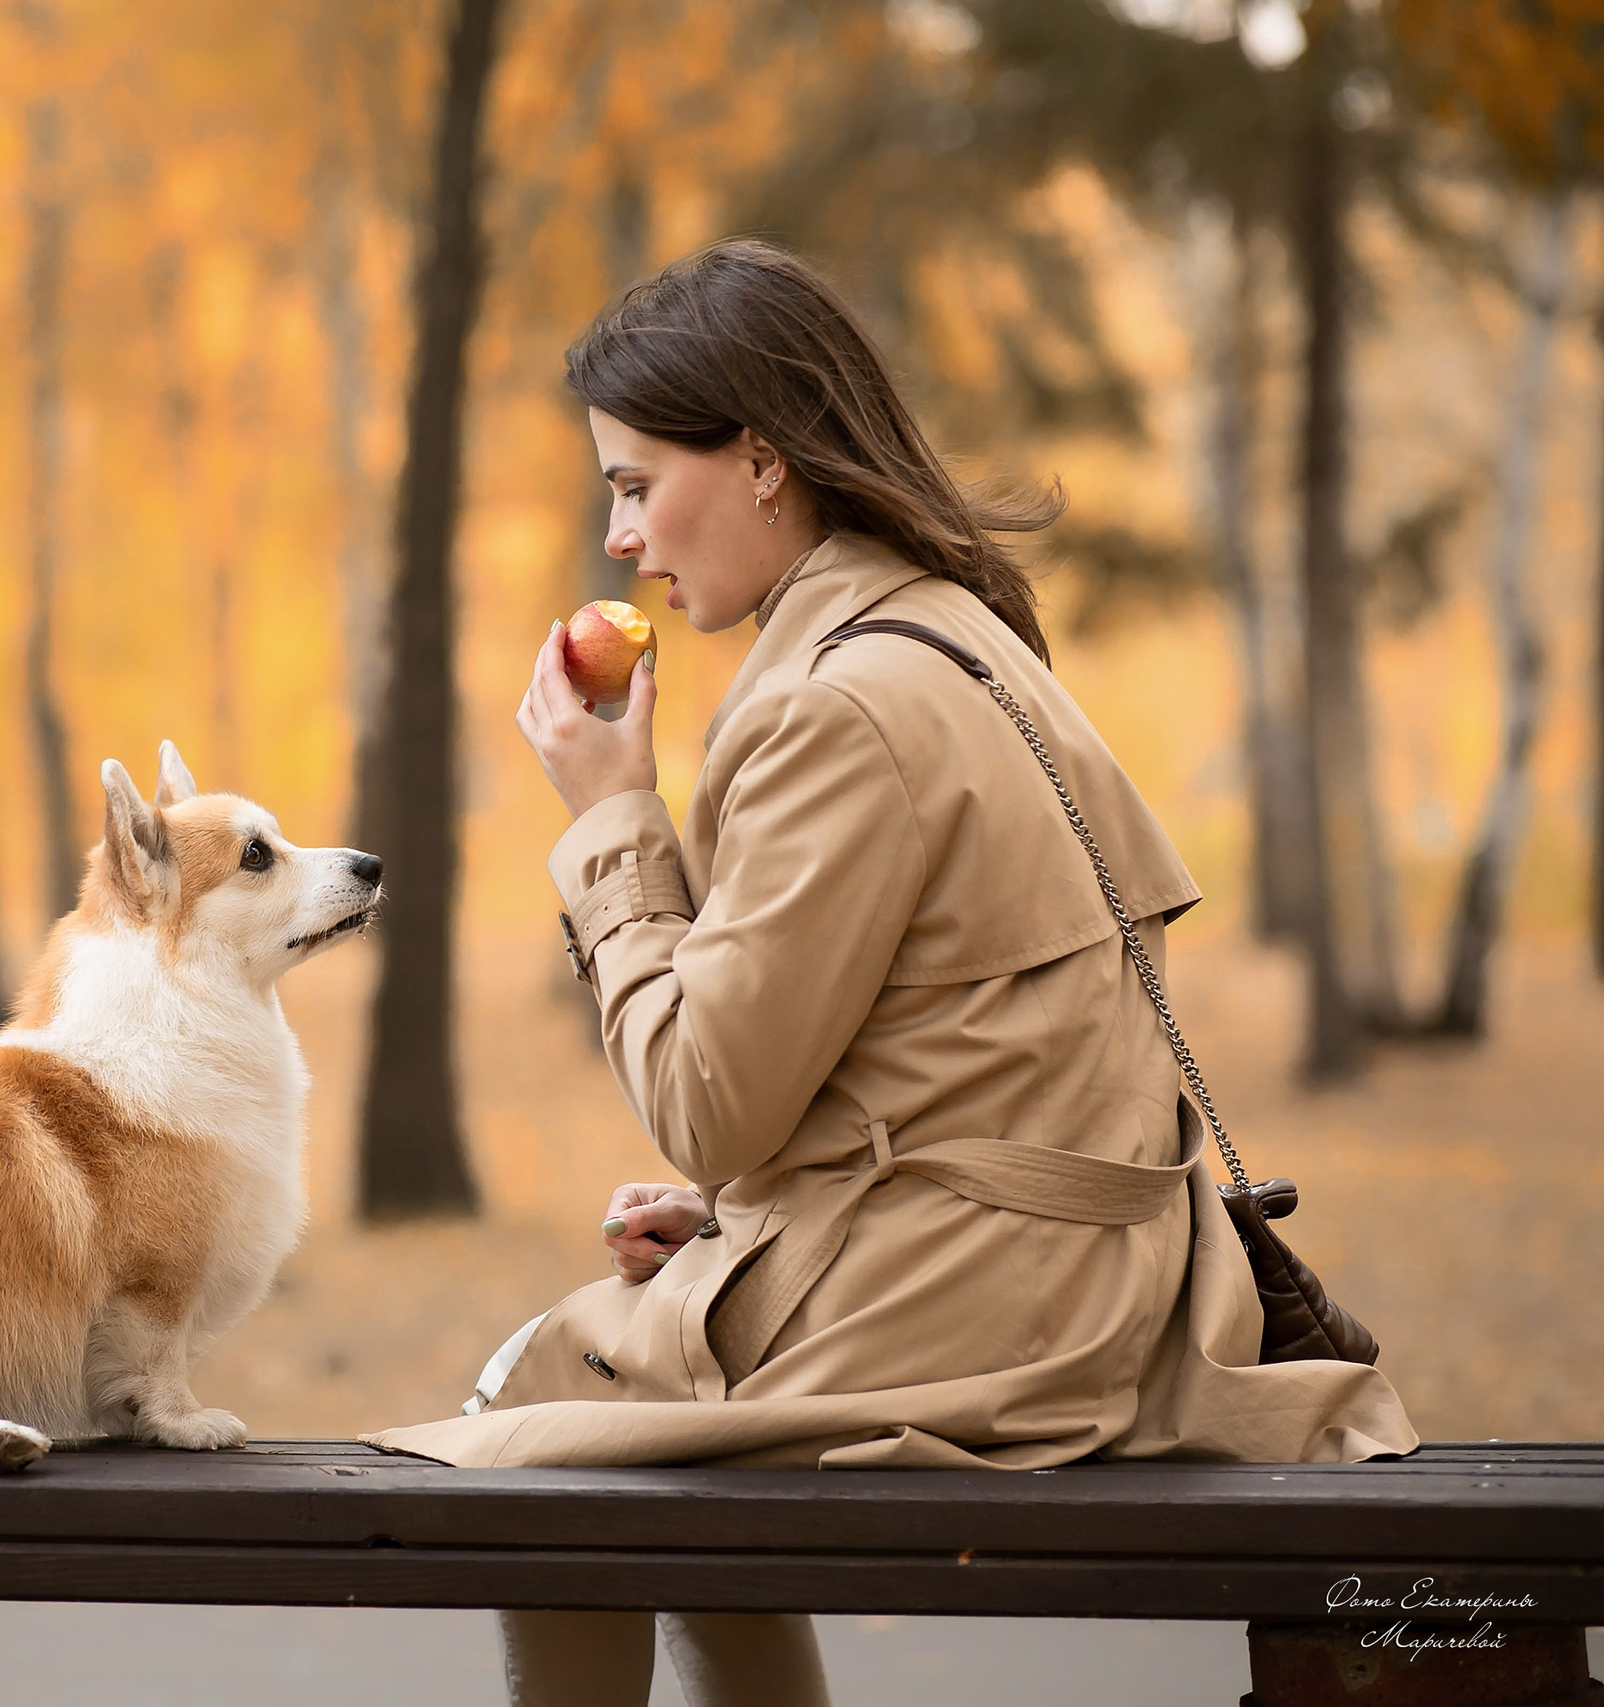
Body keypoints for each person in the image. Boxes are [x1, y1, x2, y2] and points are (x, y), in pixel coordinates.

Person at [363, 240, 1416, 1707]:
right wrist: (750, 1215)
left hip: (988, 1312)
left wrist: (613, 820)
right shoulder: (948, 628)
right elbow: (946, 1047)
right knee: (648, 1432)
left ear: (763, 459)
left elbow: (708, 1098)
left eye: (633, 482)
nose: (620, 541)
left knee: (551, 1393)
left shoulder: (831, 708)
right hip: (1073, 1275)